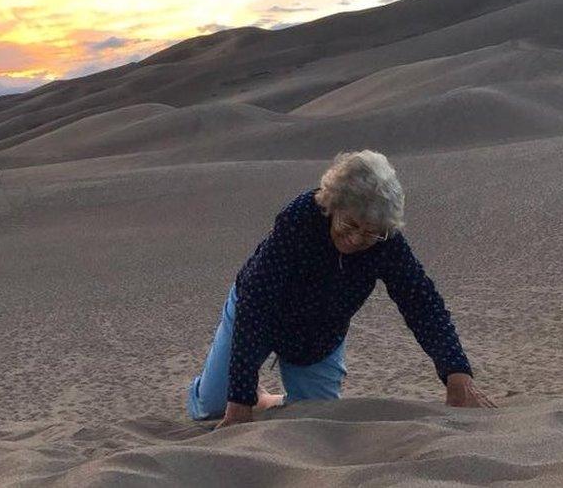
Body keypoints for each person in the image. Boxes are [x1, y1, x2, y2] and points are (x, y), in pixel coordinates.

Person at [186, 150, 495, 430]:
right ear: (332, 205)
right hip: (259, 317)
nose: (358, 239)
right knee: (212, 408)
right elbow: (257, 301)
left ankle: (265, 399)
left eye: (371, 232)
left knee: (317, 422)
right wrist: (239, 397)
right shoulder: (299, 220)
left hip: (320, 336)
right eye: (351, 225)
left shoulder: (386, 242)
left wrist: (456, 372)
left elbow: (421, 301)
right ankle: (240, 392)